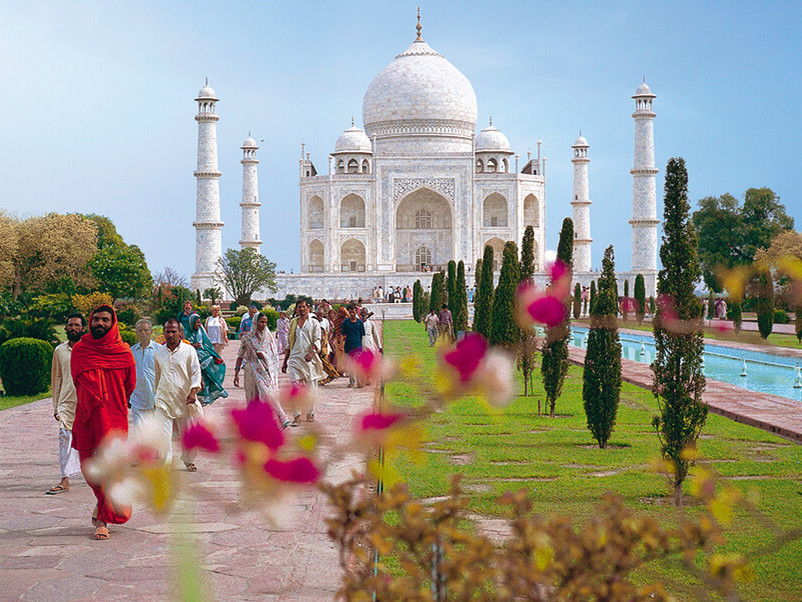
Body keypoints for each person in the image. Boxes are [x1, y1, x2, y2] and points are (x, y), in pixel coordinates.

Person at [71, 305, 136, 540]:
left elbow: (130, 385)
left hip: (115, 416)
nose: (100, 324)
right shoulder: (81, 350)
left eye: (105, 320)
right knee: (88, 466)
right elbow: (77, 380)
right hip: (87, 417)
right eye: (96, 319)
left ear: (113, 322)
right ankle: (103, 504)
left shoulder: (124, 353)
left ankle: (103, 519)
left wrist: (111, 400)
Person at [153, 319, 203, 471]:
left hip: (185, 398)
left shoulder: (189, 351)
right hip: (164, 398)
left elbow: (195, 372)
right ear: (163, 333)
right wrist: (156, 395)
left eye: (173, 331)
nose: (170, 334)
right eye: (167, 331)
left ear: (180, 333)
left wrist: (194, 391)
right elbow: (157, 376)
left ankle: (189, 460)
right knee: (162, 434)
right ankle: (165, 463)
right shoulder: (158, 353)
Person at [46, 313, 85, 495]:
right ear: (65, 328)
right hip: (66, 403)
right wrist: (56, 407)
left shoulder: (89, 349)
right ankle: (65, 479)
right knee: (64, 440)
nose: (73, 328)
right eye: (70, 325)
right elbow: (57, 378)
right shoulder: (59, 351)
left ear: (83, 329)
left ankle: (98, 476)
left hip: (87, 404)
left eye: (77, 325)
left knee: (90, 442)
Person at [234, 312, 289, 428]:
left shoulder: (267, 337)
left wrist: (265, 357)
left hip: (264, 370)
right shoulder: (247, 338)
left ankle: (279, 418)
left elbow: (273, 354)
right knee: (252, 398)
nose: (263, 325)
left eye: (265, 322)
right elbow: (240, 355)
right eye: (261, 322)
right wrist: (236, 373)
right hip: (251, 370)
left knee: (268, 393)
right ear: (255, 322)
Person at [281, 299, 324, 425]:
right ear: (296, 309)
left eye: (303, 307)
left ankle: (310, 412)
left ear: (308, 308)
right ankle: (297, 416)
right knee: (296, 388)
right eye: (299, 307)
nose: (301, 309)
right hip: (295, 359)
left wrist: (312, 353)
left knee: (311, 388)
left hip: (309, 359)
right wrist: (285, 362)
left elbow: (317, 340)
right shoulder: (293, 323)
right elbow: (289, 344)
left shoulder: (314, 323)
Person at [188, 314, 229, 405]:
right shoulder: (186, 332)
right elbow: (182, 344)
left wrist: (215, 355)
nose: (198, 325)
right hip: (191, 357)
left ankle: (210, 393)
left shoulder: (201, 331)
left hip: (204, 355)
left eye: (199, 323)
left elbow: (207, 345)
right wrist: (192, 345)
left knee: (214, 368)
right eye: (196, 323)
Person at [129, 318, 156, 426]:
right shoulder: (131, 351)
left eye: (145, 330)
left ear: (151, 332)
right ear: (136, 333)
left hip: (155, 398)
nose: (143, 333)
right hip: (137, 397)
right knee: (139, 432)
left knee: (154, 432)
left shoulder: (159, 350)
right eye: (140, 331)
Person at [341, 304, 366, 388]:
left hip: (357, 345)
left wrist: (360, 345)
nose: (351, 312)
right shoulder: (346, 322)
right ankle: (352, 381)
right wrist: (341, 344)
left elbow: (362, 335)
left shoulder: (359, 322)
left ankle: (359, 381)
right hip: (348, 346)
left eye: (353, 310)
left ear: (356, 311)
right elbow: (342, 334)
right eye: (350, 311)